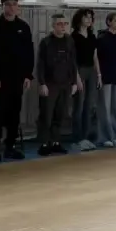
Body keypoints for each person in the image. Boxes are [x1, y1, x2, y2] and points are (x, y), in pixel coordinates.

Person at [0, 0, 35, 161]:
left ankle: (10, 146)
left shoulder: (23, 27)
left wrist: (28, 75)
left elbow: (29, 53)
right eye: (8, 5)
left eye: (14, 4)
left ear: (18, 7)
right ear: (2, 6)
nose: (11, 8)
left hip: (17, 78)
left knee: (14, 114)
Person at [36, 13, 77, 156]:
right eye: (59, 24)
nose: (63, 26)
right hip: (50, 83)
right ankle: (44, 143)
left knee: (60, 114)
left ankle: (56, 142)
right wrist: (42, 83)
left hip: (65, 83)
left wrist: (74, 82)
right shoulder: (46, 42)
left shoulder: (70, 41)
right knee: (46, 115)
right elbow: (40, 64)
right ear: (53, 26)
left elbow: (73, 62)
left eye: (65, 24)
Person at [96, 12, 116, 147]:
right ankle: (105, 137)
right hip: (106, 77)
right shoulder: (102, 38)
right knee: (105, 108)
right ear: (109, 22)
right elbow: (97, 58)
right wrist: (99, 75)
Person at [71, 8, 100, 151]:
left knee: (89, 106)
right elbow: (72, 59)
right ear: (79, 19)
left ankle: (86, 137)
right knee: (79, 106)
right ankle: (78, 139)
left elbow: (95, 56)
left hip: (91, 71)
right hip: (80, 70)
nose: (89, 19)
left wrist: (99, 74)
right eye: (86, 17)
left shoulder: (92, 36)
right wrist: (76, 77)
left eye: (90, 17)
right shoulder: (74, 37)